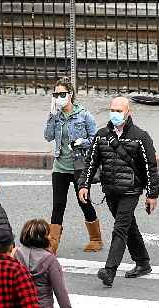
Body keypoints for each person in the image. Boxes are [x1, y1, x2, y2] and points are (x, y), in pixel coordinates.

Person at [78, 96, 159, 287]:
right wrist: (84, 185)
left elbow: (150, 167)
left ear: (128, 113)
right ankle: (143, 262)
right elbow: (91, 163)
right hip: (111, 190)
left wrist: (152, 194)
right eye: (112, 110)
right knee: (129, 225)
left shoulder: (141, 137)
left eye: (119, 111)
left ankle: (109, 270)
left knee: (120, 229)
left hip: (131, 191)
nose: (115, 114)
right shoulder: (101, 135)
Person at [44, 77, 102, 254]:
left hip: (79, 166)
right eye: (56, 94)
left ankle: (96, 239)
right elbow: (48, 137)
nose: (58, 97)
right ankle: (52, 244)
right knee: (58, 205)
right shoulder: (56, 115)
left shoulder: (84, 115)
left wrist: (81, 142)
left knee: (83, 201)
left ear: (70, 95)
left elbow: (95, 139)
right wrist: (52, 117)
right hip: (60, 166)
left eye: (62, 94)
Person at [15, 219, 72, 308]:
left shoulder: (16, 254)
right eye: (48, 234)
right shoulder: (50, 260)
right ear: (43, 238)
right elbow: (60, 292)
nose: (50, 237)